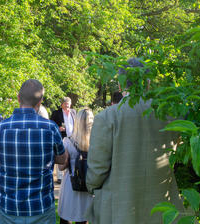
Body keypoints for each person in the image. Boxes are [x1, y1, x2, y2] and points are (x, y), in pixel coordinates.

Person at [85, 58, 185, 224]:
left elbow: (97, 169)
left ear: (120, 85)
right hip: (162, 204)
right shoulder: (171, 115)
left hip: (119, 207)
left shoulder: (107, 117)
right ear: (148, 83)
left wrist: (92, 187)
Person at [0, 79, 66, 224]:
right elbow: (63, 159)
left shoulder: (0, 128)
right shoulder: (50, 128)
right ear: (40, 101)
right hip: (41, 207)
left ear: (18, 98)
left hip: (9, 207)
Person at [57, 109, 94, 224]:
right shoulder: (95, 143)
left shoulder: (68, 141)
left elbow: (61, 167)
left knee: (65, 217)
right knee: (83, 219)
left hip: (71, 183)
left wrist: (67, 159)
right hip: (88, 184)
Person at [51, 97, 76, 184]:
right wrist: (58, 128)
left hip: (72, 138)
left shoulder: (74, 112)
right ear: (62, 104)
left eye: (69, 103)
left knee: (71, 155)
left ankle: (71, 173)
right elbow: (51, 125)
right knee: (60, 155)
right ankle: (60, 177)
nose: (67, 105)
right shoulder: (56, 113)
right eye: (65, 103)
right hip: (61, 137)